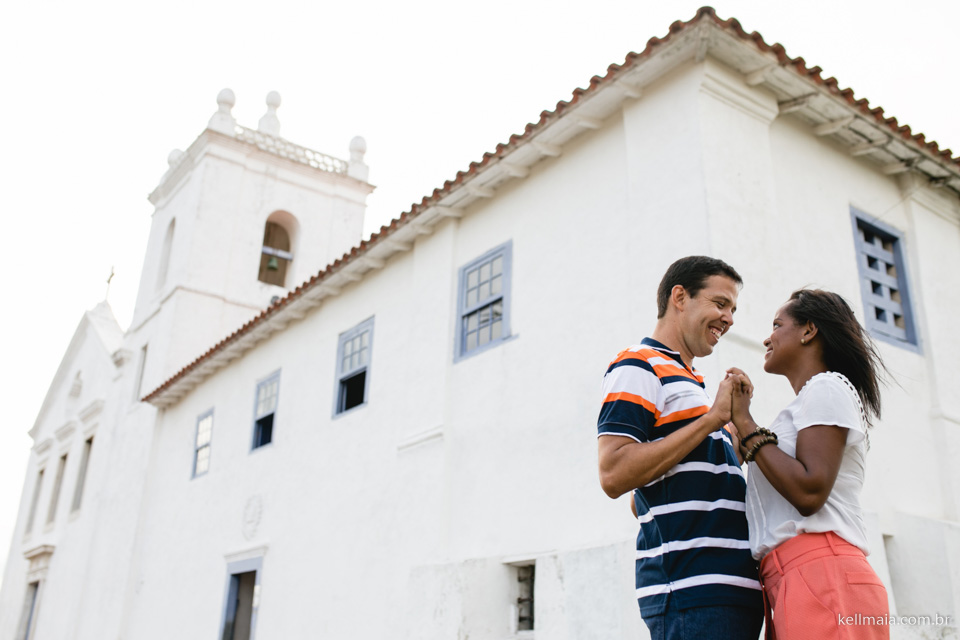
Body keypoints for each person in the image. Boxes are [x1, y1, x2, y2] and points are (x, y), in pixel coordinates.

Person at [597, 256, 763, 639]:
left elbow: (645, 497)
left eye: (734, 309)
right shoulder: (638, 365)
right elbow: (613, 474)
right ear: (680, 297)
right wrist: (712, 420)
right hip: (691, 595)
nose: (730, 318)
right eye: (720, 304)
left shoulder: (694, 385)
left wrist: (735, 434)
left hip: (730, 593)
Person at [728, 289, 889, 639]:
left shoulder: (827, 387)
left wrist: (746, 425)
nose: (767, 337)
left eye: (777, 324)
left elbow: (809, 490)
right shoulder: (800, 408)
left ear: (808, 331)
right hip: (796, 578)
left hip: (822, 573)